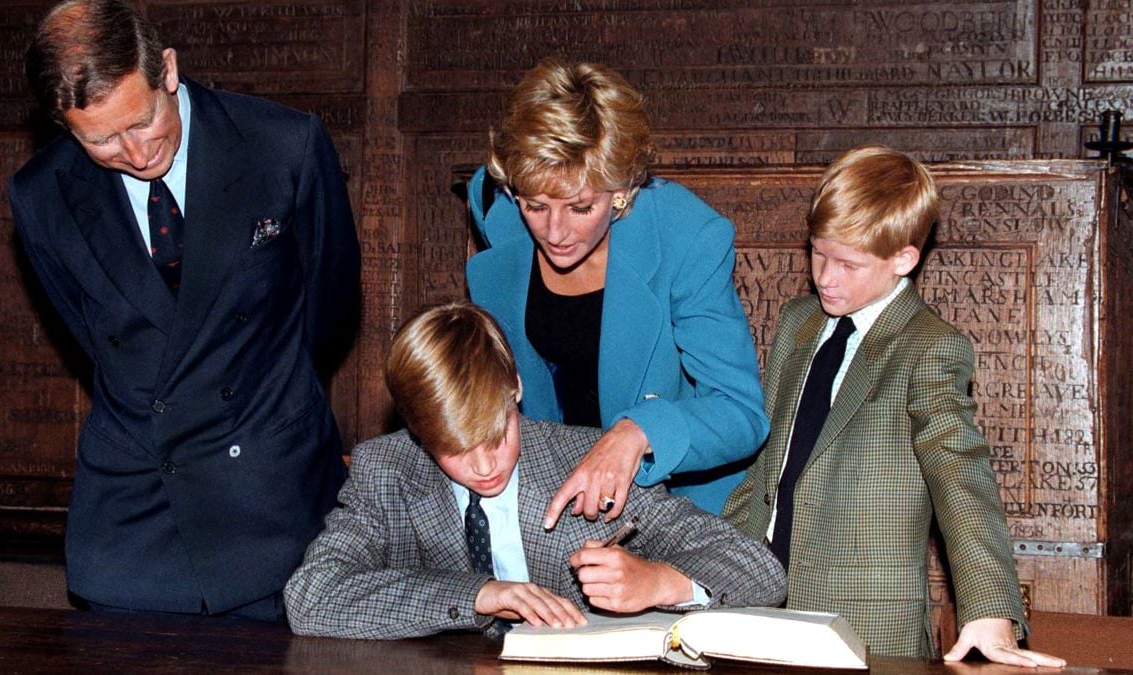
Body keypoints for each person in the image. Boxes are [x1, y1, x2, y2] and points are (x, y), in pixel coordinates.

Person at [7, 0, 360, 620]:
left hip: (268, 495)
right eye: (102, 140)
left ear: (167, 70)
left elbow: (328, 309)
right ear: (65, 129)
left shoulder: (283, 144)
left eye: (141, 122)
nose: (136, 153)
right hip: (135, 507)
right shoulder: (41, 194)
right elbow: (92, 333)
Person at [722, 146, 1064, 667]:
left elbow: (960, 473)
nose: (825, 278)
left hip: (867, 625)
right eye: (817, 253)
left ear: (903, 258)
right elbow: (768, 463)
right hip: (756, 600)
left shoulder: (929, 346)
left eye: (848, 264)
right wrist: (717, 565)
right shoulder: (799, 321)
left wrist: (991, 606)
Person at [284, 302, 784, 639]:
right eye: (454, 450)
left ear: (516, 388)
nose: (484, 466)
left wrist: (659, 582)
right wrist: (478, 594)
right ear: (417, 431)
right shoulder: (386, 471)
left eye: (496, 436)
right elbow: (310, 596)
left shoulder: (587, 463)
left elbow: (761, 571)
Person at [466, 59, 767, 526]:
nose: (555, 231)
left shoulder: (686, 238)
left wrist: (637, 433)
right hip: (550, 496)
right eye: (535, 205)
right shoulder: (500, 214)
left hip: (676, 501)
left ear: (622, 190)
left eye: (582, 207)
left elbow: (741, 413)